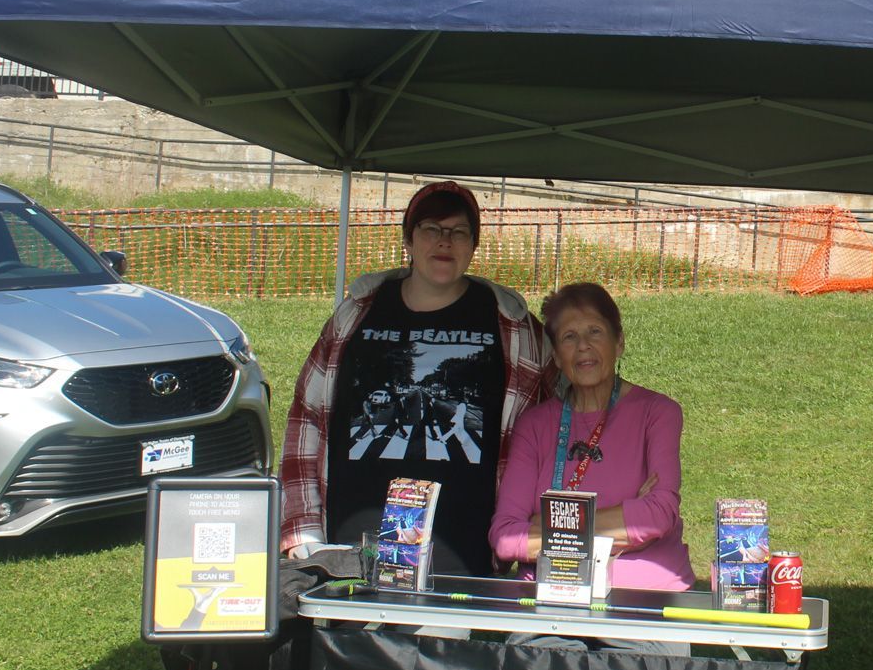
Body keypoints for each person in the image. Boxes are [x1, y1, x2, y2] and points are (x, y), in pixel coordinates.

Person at [278, 181, 550, 573]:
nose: (445, 242)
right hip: (350, 540)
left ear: (473, 245)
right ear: (408, 239)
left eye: (458, 232)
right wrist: (303, 532)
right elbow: (306, 419)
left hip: (462, 543)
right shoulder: (355, 315)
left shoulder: (512, 325)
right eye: (431, 229)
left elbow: (559, 417)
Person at [489, 282, 694, 591]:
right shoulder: (533, 425)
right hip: (551, 593)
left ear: (619, 343)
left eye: (595, 332)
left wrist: (542, 526)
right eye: (569, 337)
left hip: (642, 592)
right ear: (557, 356)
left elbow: (656, 517)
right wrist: (624, 521)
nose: (583, 345)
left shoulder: (658, 413)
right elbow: (506, 537)